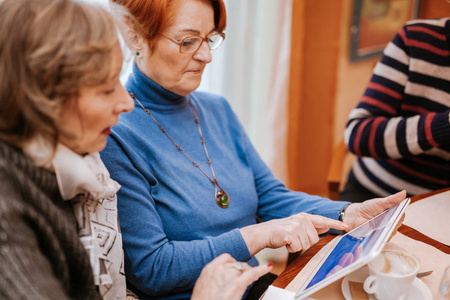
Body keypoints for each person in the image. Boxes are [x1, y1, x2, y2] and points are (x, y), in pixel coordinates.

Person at [101, 0, 407, 299]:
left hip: (252, 285)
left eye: (209, 38)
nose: (206, 55)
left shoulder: (216, 109)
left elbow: (270, 197)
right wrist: (261, 234)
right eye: (188, 41)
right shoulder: (115, 136)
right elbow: (153, 268)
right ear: (134, 36)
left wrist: (346, 213)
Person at [0, 0, 272, 299]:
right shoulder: (10, 209)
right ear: (39, 97)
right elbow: (150, 269)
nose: (126, 103)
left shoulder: (66, 174)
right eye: (105, 88)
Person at [340, 17, 450, 203]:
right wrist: (443, 124)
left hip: (440, 208)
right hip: (376, 194)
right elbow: (357, 133)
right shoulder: (415, 38)